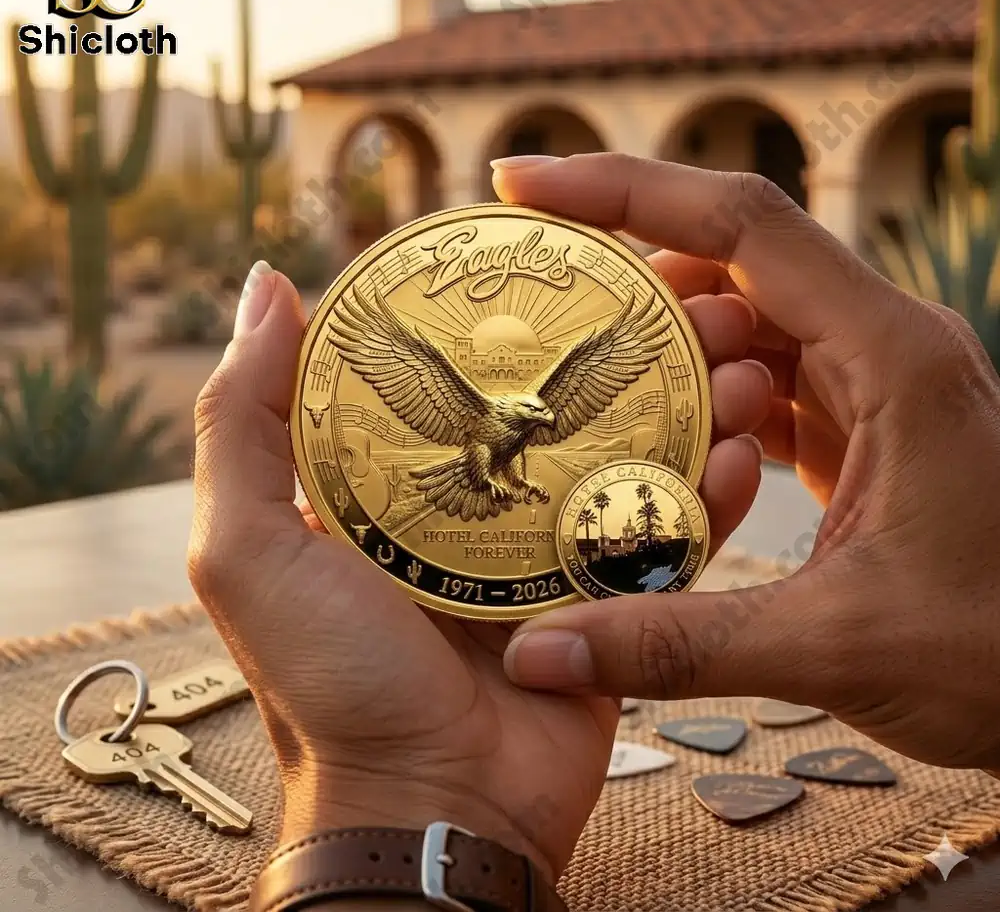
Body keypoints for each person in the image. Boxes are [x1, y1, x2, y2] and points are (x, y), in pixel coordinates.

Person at [188, 153, 1000, 908]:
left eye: (542, 415)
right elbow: (397, 355)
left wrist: (409, 800)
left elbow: (593, 371)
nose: (542, 418)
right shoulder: (465, 403)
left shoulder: (543, 406)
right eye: (531, 414)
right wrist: (406, 783)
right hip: (464, 473)